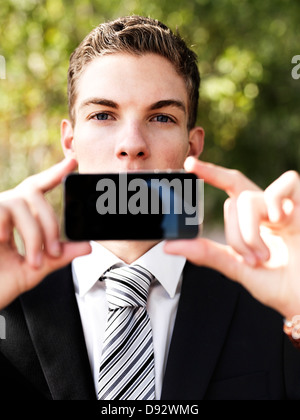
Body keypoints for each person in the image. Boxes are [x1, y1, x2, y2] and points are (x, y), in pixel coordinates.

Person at [0, 15, 300, 400]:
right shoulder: (9, 305)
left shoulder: (271, 307)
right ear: (70, 142)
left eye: (161, 117)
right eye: (103, 115)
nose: (132, 143)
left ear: (192, 146)